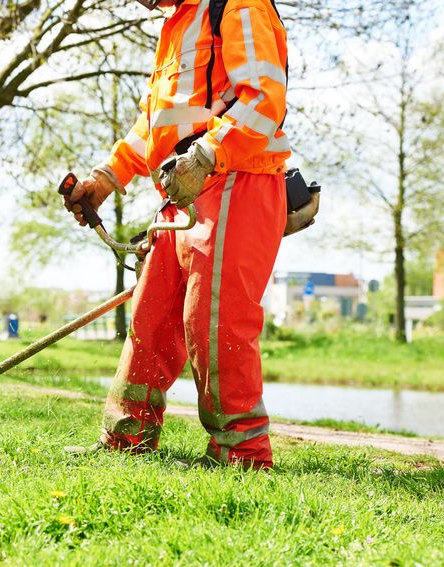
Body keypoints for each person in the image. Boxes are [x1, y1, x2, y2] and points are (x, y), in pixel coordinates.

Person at [64, 0, 291, 469]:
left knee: (215, 320)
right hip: (185, 187)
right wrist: (105, 178)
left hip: (236, 178)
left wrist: (207, 155)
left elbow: (265, 96)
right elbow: (156, 122)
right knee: (153, 315)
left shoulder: (238, 4)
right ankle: (129, 439)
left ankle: (242, 453)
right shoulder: (178, 22)